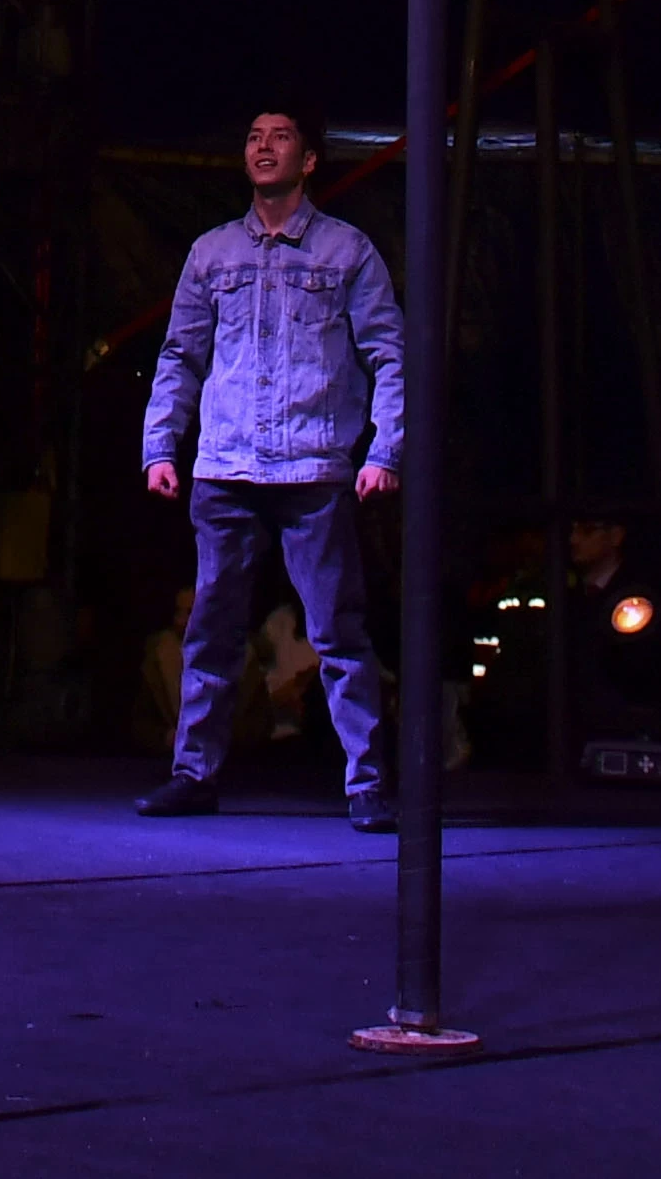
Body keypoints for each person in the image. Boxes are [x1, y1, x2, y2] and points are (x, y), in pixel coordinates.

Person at [134, 107, 409, 831]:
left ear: (310, 159)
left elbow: (388, 354)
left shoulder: (346, 251)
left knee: (338, 632)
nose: (262, 146)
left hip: (313, 469)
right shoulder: (213, 253)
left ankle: (367, 782)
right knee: (210, 631)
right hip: (225, 467)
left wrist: (384, 451)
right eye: (252, 136)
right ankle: (194, 773)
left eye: (279, 137)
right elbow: (178, 356)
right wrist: (160, 445)